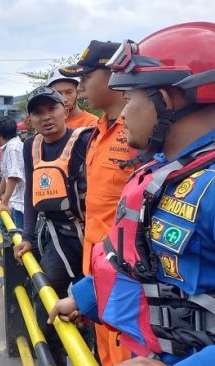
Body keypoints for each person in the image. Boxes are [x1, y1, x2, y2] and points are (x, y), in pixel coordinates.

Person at [48, 22, 215, 365]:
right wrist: (87, 297)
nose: (124, 112)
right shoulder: (161, 174)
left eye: (131, 98)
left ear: (166, 100)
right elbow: (143, 263)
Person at [60, 40, 135, 365]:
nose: (80, 87)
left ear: (114, 74)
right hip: (95, 264)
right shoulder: (96, 132)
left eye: (87, 76)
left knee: (125, 350)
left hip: (127, 271)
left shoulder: (140, 135)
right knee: (101, 352)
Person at [16, 86, 93, 365]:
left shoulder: (85, 140)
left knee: (93, 306)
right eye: (38, 113)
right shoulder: (30, 146)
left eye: (52, 109)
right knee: (46, 298)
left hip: (90, 237)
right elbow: (30, 193)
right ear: (30, 120)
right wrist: (26, 236)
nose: (46, 117)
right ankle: (54, 358)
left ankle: (90, 353)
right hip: (57, 237)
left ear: (65, 110)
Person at [0, 116, 25, 228]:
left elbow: (13, 177)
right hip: (15, 201)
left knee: (17, 236)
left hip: (20, 204)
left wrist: (4, 202)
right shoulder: (10, 146)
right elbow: (6, 175)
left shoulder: (13, 148)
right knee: (2, 225)